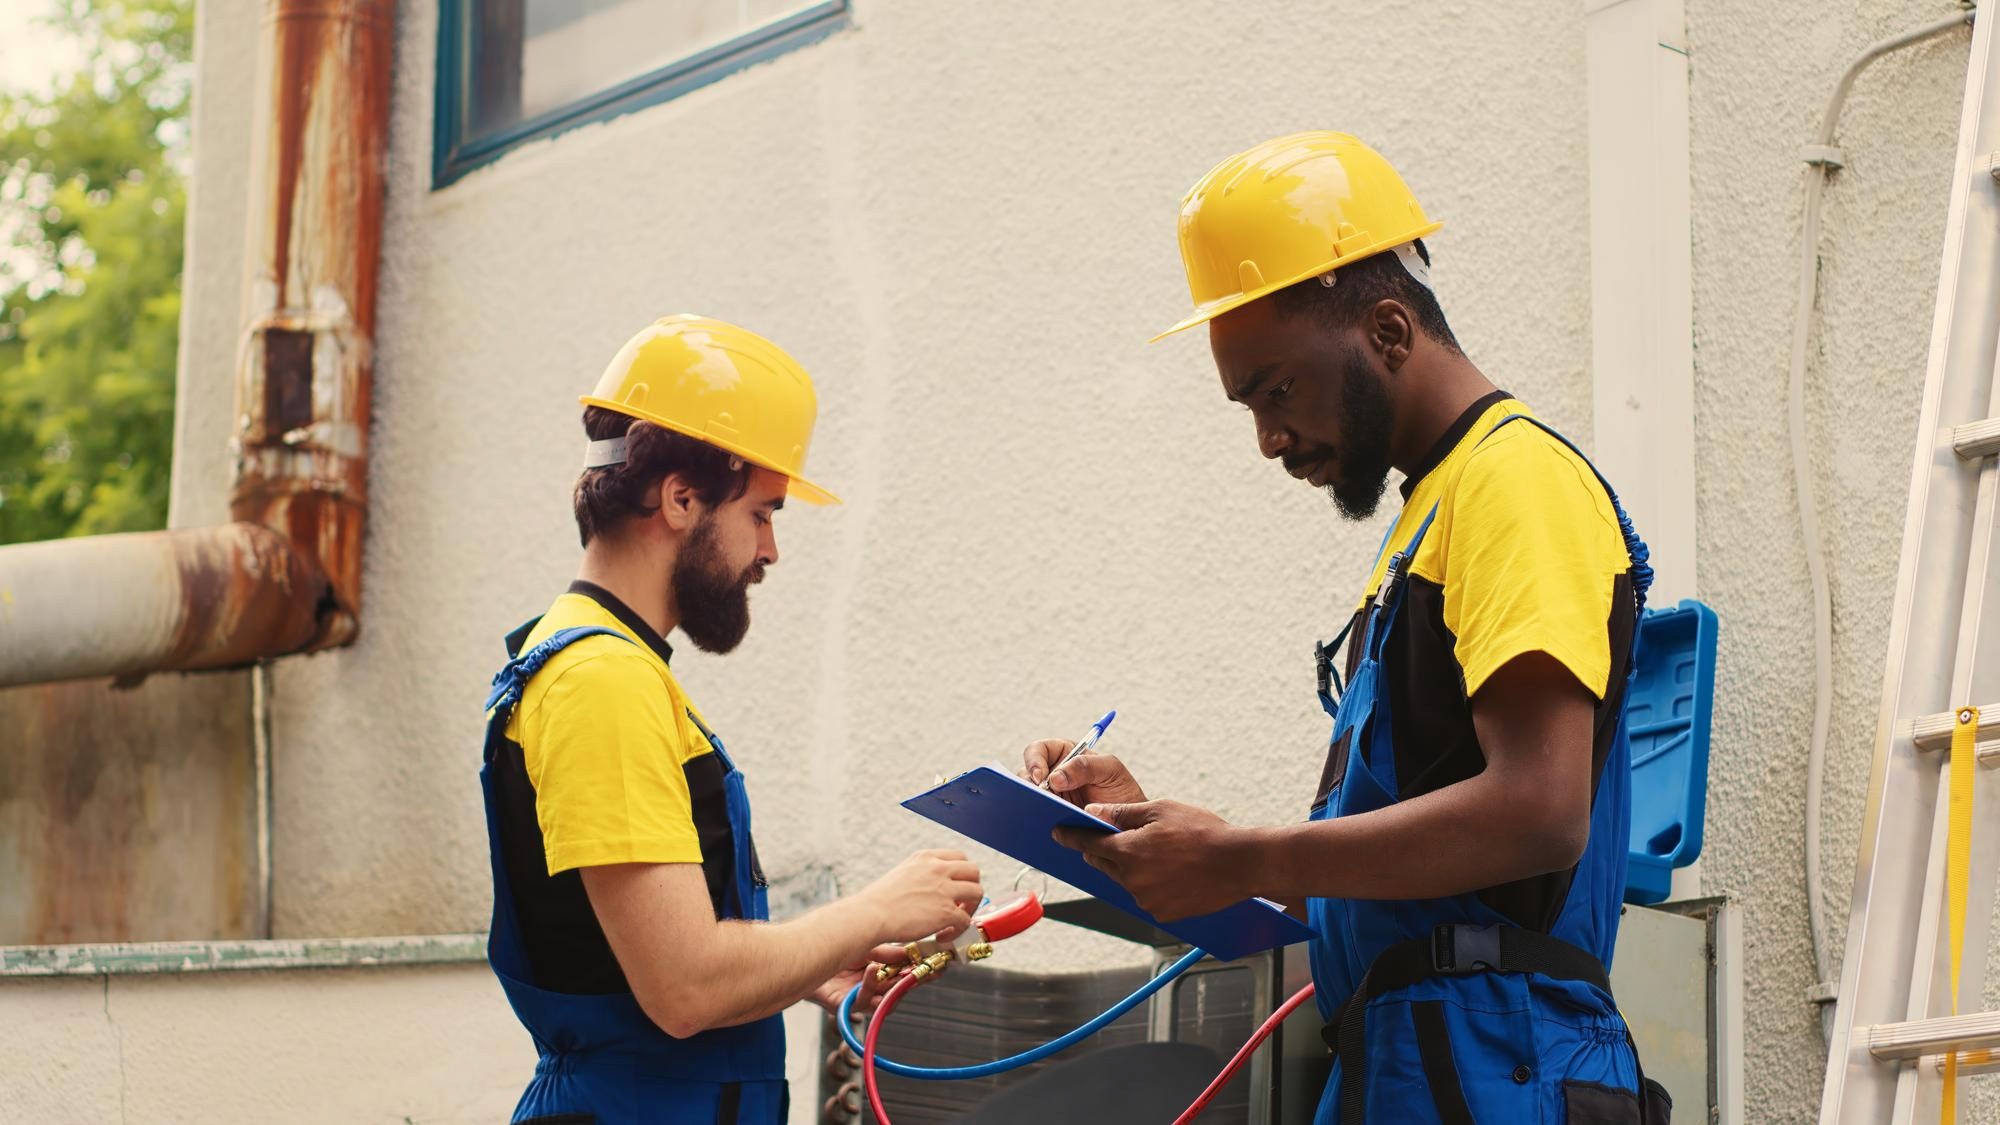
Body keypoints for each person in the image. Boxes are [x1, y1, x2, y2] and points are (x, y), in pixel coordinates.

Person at [1030, 134, 1670, 1123]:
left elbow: (1540, 810)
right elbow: (1383, 881)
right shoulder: (1430, 521)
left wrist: (1242, 854)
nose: (1267, 439)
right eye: (1247, 406)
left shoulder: (1515, 482)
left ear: (1384, 329)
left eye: (1276, 390)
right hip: (1411, 1062)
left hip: (1499, 1066)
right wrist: (1162, 837)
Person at [479, 315, 984, 1124]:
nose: (772, 549)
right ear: (680, 497)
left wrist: (807, 966)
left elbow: (645, 954)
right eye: (762, 511)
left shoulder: (613, 666)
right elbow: (684, 987)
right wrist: (876, 911)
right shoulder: (602, 680)